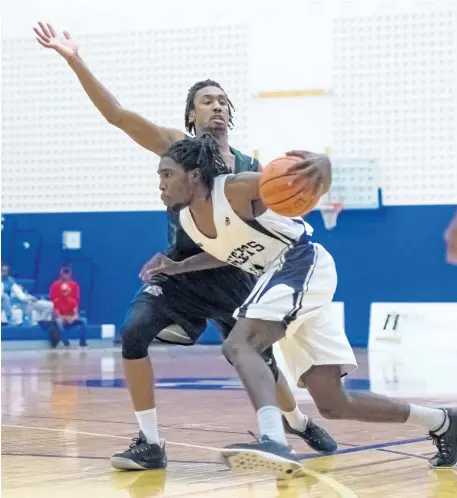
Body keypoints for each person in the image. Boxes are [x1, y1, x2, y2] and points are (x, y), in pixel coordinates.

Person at [33, 22, 337, 470]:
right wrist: (74, 58)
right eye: (206, 100)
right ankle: (150, 443)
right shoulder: (178, 149)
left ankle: (294, 419)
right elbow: (117, 115)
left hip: (236, 270)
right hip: (180, 267)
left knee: (260, 363)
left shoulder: (254, 168)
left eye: (222, 100)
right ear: (191, 116)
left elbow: (283, 215)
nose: (216, 105)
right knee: (133, 332)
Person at [158, 134, 457, 479]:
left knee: (239, 344)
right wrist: (180, 267)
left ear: (194, 175)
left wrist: (325, 166)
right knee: (333, 403)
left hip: (298, 262)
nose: (161, 184)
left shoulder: (235, 188)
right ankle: (443, 421)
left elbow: (297, 178)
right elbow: (225, 249)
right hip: (289, 278)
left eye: (167, 174)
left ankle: (273, 439)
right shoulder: (188, 222)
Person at [53, 283, 88, 348]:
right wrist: (66, 318)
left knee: (84, 320)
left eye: (65, 291)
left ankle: (82, 342)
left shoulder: (73, 301)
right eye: (63, 291)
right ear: (61, 291)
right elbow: (57, 315)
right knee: (59, 321)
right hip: (62, 319)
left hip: (71, 320)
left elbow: (76, 314)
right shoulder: (56, 301)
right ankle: (66, 343)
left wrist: (73, 318)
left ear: (68, 291)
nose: (64, 292)